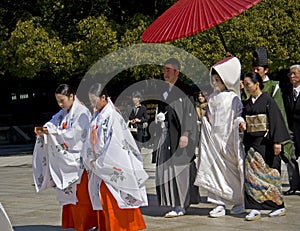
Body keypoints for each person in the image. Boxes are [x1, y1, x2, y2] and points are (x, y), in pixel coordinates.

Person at [32, 84, 99, 231]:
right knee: (70, 197)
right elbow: (52, 123)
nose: (60, 104)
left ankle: (86, 224)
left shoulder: (81, 112)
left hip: (79, 161)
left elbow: (75, 135)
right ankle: (74, 223)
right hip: (67, 160)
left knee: (82, 197)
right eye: (58, 101)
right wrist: (45, 129)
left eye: (62, 100)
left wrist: (54, 134)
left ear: (71, 96)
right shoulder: (63, 113)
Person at [83, 83, 148, 230]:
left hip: (110, 163)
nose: (93, 104)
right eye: (91, 101)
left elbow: (116, 143)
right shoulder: (97, 116)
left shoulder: (112, 116)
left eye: (94, 101)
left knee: (113, 199)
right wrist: (91, 157)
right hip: (98, 163)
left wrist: (101, 161)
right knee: (102, 200)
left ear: (103, 97)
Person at [194, 57, 245, 218]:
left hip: (229, 139)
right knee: (214, 172)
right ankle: (218, 202)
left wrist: (239, 123)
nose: (215, 82)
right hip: (214, 140)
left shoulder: (233, 98)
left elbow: (238, 115)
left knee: (233, 172)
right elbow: (209, 117)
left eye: (218, 80)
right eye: (214, 79)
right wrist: (206, 122)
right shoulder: (212, 98)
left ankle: (239, 200)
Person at [240, 72, 290, 221]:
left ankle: (278, 206)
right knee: (252, 177)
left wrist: (277, 142)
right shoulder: (248, 103)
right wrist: (241, 123)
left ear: (257, 84)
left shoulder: (268, 100)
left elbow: (276, 121)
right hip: (251, 144)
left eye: (248, 84)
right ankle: (254, 208)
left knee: (269, 175)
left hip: (266, 143)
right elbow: (242, 118)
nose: (246, 87)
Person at [155, 58, 200, 218]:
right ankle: (175, 201)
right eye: (164, 69)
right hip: (167, 134)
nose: (165, 73)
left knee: (181, 169)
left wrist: (186, 133)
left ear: (177, 72)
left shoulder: (185, 91)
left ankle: (181, 204)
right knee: (168, 169)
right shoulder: (164, 91)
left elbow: (189, 113)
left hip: (181, 134)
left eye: (169, 70)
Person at [252, 47, 294, 194]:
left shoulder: (273, 87)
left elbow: (278, 114)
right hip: (254, 135)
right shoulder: (248, 87)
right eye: (254, 69)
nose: (256, 72)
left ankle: (275, 199)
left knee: (271, 167)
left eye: (259, 69)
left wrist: (279, 139)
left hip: (270, 134)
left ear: (266, 70)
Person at [285, 64, 300, 195]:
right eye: (290, 74)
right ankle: (293, 185)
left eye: (295, 73)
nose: (292, 76)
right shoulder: (287, 92)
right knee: (291, 157)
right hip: (291, 129)